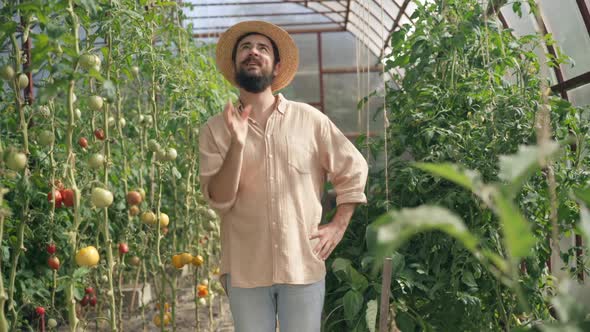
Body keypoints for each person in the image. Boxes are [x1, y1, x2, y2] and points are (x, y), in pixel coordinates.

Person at [198, 20, 369, 332]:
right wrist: (236, 145)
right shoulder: (214, 130)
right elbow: (219, 200)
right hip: (245, 271)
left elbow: (353, 169)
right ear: (235, 64)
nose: (253, 52)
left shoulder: (311, 121)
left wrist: (337, 226)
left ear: (276, 67)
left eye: (263, 48)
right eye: (245, 48)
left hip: (302, 265)